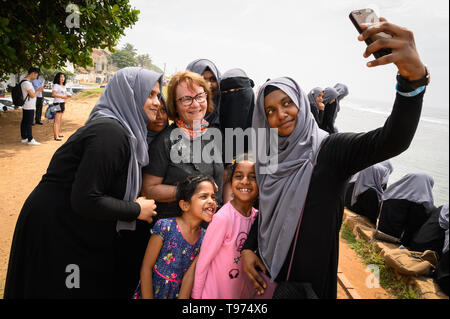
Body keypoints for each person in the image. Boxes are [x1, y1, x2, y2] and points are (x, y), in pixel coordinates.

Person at [241, 18, 430, 299]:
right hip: (266, 278)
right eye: (269, 111)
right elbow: (266, 209)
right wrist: (248, 247)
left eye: (287, 103)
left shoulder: (330, 151)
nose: (280, 115)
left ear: (302, 105)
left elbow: (392, 139)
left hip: (309, 289)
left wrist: (412, 81)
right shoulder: (270, 157)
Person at [4, 67, 161, 298]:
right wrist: (136, 209)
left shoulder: (120, 130)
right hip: (54, 226)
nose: (157, 102)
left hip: (67, 222)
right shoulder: (111, 134)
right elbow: (86, 199)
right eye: (150, 94)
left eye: (158, 95)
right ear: (129, 95)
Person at [141, 71, 224, 221]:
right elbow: (148, 189)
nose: (195, 104)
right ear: (175, 105)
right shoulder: (165, 141)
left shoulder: (212, 135)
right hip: (176, 234)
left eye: (199, 96)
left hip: (209, 228)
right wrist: (189, 189)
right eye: (186, 99)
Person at [133, 174, 217, 299]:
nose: (211, 201)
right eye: (204, 196)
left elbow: (189, 277)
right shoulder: (165, 227)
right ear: (185, 205)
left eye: (213, 197)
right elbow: (146, 268)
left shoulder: (205, 238)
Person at [192, 154, 259, 299]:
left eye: (253, 177)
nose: (245, 182)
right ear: (231, 181)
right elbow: (203, 263)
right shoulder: (223, 218)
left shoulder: (257, 218)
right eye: (239, 176)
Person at [376, 173, 435, 246]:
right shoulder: (418, 206)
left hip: (380, 232)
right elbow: (412, 230)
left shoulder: (391, 194)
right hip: (397, 240)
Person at [219, 68, 256, 163]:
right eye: (226, 93)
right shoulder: (211, 131)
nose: (233, 97)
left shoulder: (266, 129)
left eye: (238, 90)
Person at [350, 161, 393, 225]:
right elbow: (371, 217)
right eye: (381, 176)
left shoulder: (357, 185)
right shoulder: (371, 193)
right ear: (375, 175)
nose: (383, 179)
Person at [186, 59, 221, 127]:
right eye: (202, 80)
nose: (208, 85)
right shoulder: (182, 111)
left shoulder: (225, 110)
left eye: (212, 79)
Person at [20, 67, 44, 145]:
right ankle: (30, 139)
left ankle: (24, 138)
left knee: (24, 122)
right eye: (36, 75)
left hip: (26, 105)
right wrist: (38, 90)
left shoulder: (23, 81)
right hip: (29, 105)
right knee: (29, 122)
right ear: (33, 73)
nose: (36, 77)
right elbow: (32, 95)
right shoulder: (27, 83)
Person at [52, 72, 71, 141]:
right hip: (57, 103)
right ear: (58, 78)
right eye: (61, 77)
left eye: (63, 77)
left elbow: (64, 95)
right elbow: (53, 94)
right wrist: (63, 97)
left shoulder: (64, 86)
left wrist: (66, 97)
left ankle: (58, 133)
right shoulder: (56, 85)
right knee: (56, 121)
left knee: (59, 120)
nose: (62, 78)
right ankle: (56, 136)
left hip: (62, 104)